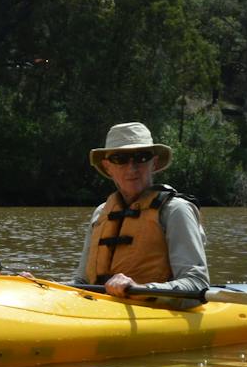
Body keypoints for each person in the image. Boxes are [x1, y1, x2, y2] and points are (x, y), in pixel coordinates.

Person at [74, 121, 209, 299]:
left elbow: (197, 283)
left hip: (152, 313)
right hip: (102, 310)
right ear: (108, 167)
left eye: (141, 157)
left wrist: (139, 288)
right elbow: (81, 283)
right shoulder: (101, 213)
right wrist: (38, 286)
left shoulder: (176, 211)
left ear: (154, 163)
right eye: (120, 159)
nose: (132, 168)